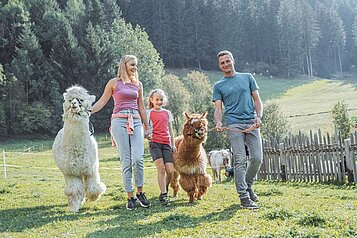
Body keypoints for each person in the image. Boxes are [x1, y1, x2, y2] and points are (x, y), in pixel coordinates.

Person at [90, 55, 151, 211]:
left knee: (138, 159)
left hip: (136, 120)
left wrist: (147, 126)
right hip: (119, 121)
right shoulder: (113, 83)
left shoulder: (138, 84)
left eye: (136, 65)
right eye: (132, 65)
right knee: (126, 160)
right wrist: (88, 110)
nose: (135, 68)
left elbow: (142, 107)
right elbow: (102, 102)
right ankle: (130, 197)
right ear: (124, 65)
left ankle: (140, 192)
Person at [212, 50, 263, 209]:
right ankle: (244, 197)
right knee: (240, 160)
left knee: (257, 158)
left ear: (233, 60)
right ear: (220, 66)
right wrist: (218, 122)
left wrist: (259, 117)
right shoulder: (218, 86)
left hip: (251, 123)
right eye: (222, 63)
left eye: (227, 61)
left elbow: (257, 100)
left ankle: (248, 185)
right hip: (234, 125)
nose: (226, 64)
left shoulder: (247, 77)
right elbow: (218, 109)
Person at [147, 89, 176, 206]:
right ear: (151, 100)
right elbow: (145, 128)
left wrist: (173, 145)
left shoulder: (167, 113)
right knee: (161, 169)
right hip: (155, 143)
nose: (159, 102)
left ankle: (165, 187)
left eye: (161, 100)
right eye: (157, 100)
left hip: (166, 143)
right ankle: (164, 195)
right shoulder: (148, 113)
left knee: (170, 171)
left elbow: (171, 130)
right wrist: (147, 134)